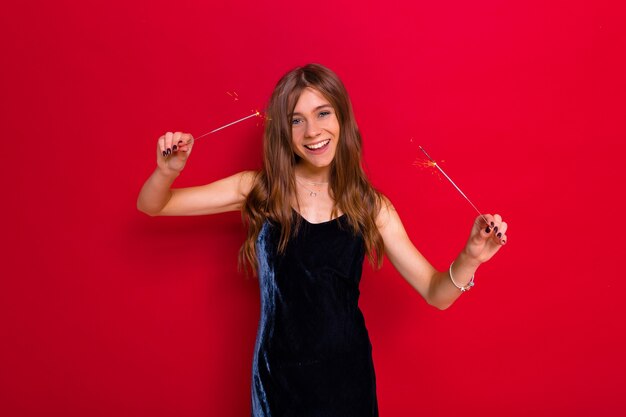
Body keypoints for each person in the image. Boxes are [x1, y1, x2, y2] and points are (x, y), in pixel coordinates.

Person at [137, 63, 508, 417]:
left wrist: (470, 256)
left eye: (323, 113)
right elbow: (155, 205)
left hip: (347, 383)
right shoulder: (260, 189)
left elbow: (435, 292)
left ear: (343, 117)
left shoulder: (371, 206)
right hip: (277, 383)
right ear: (284, 131)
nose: (312, 131)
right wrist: (166, 171)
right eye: (296, 120)